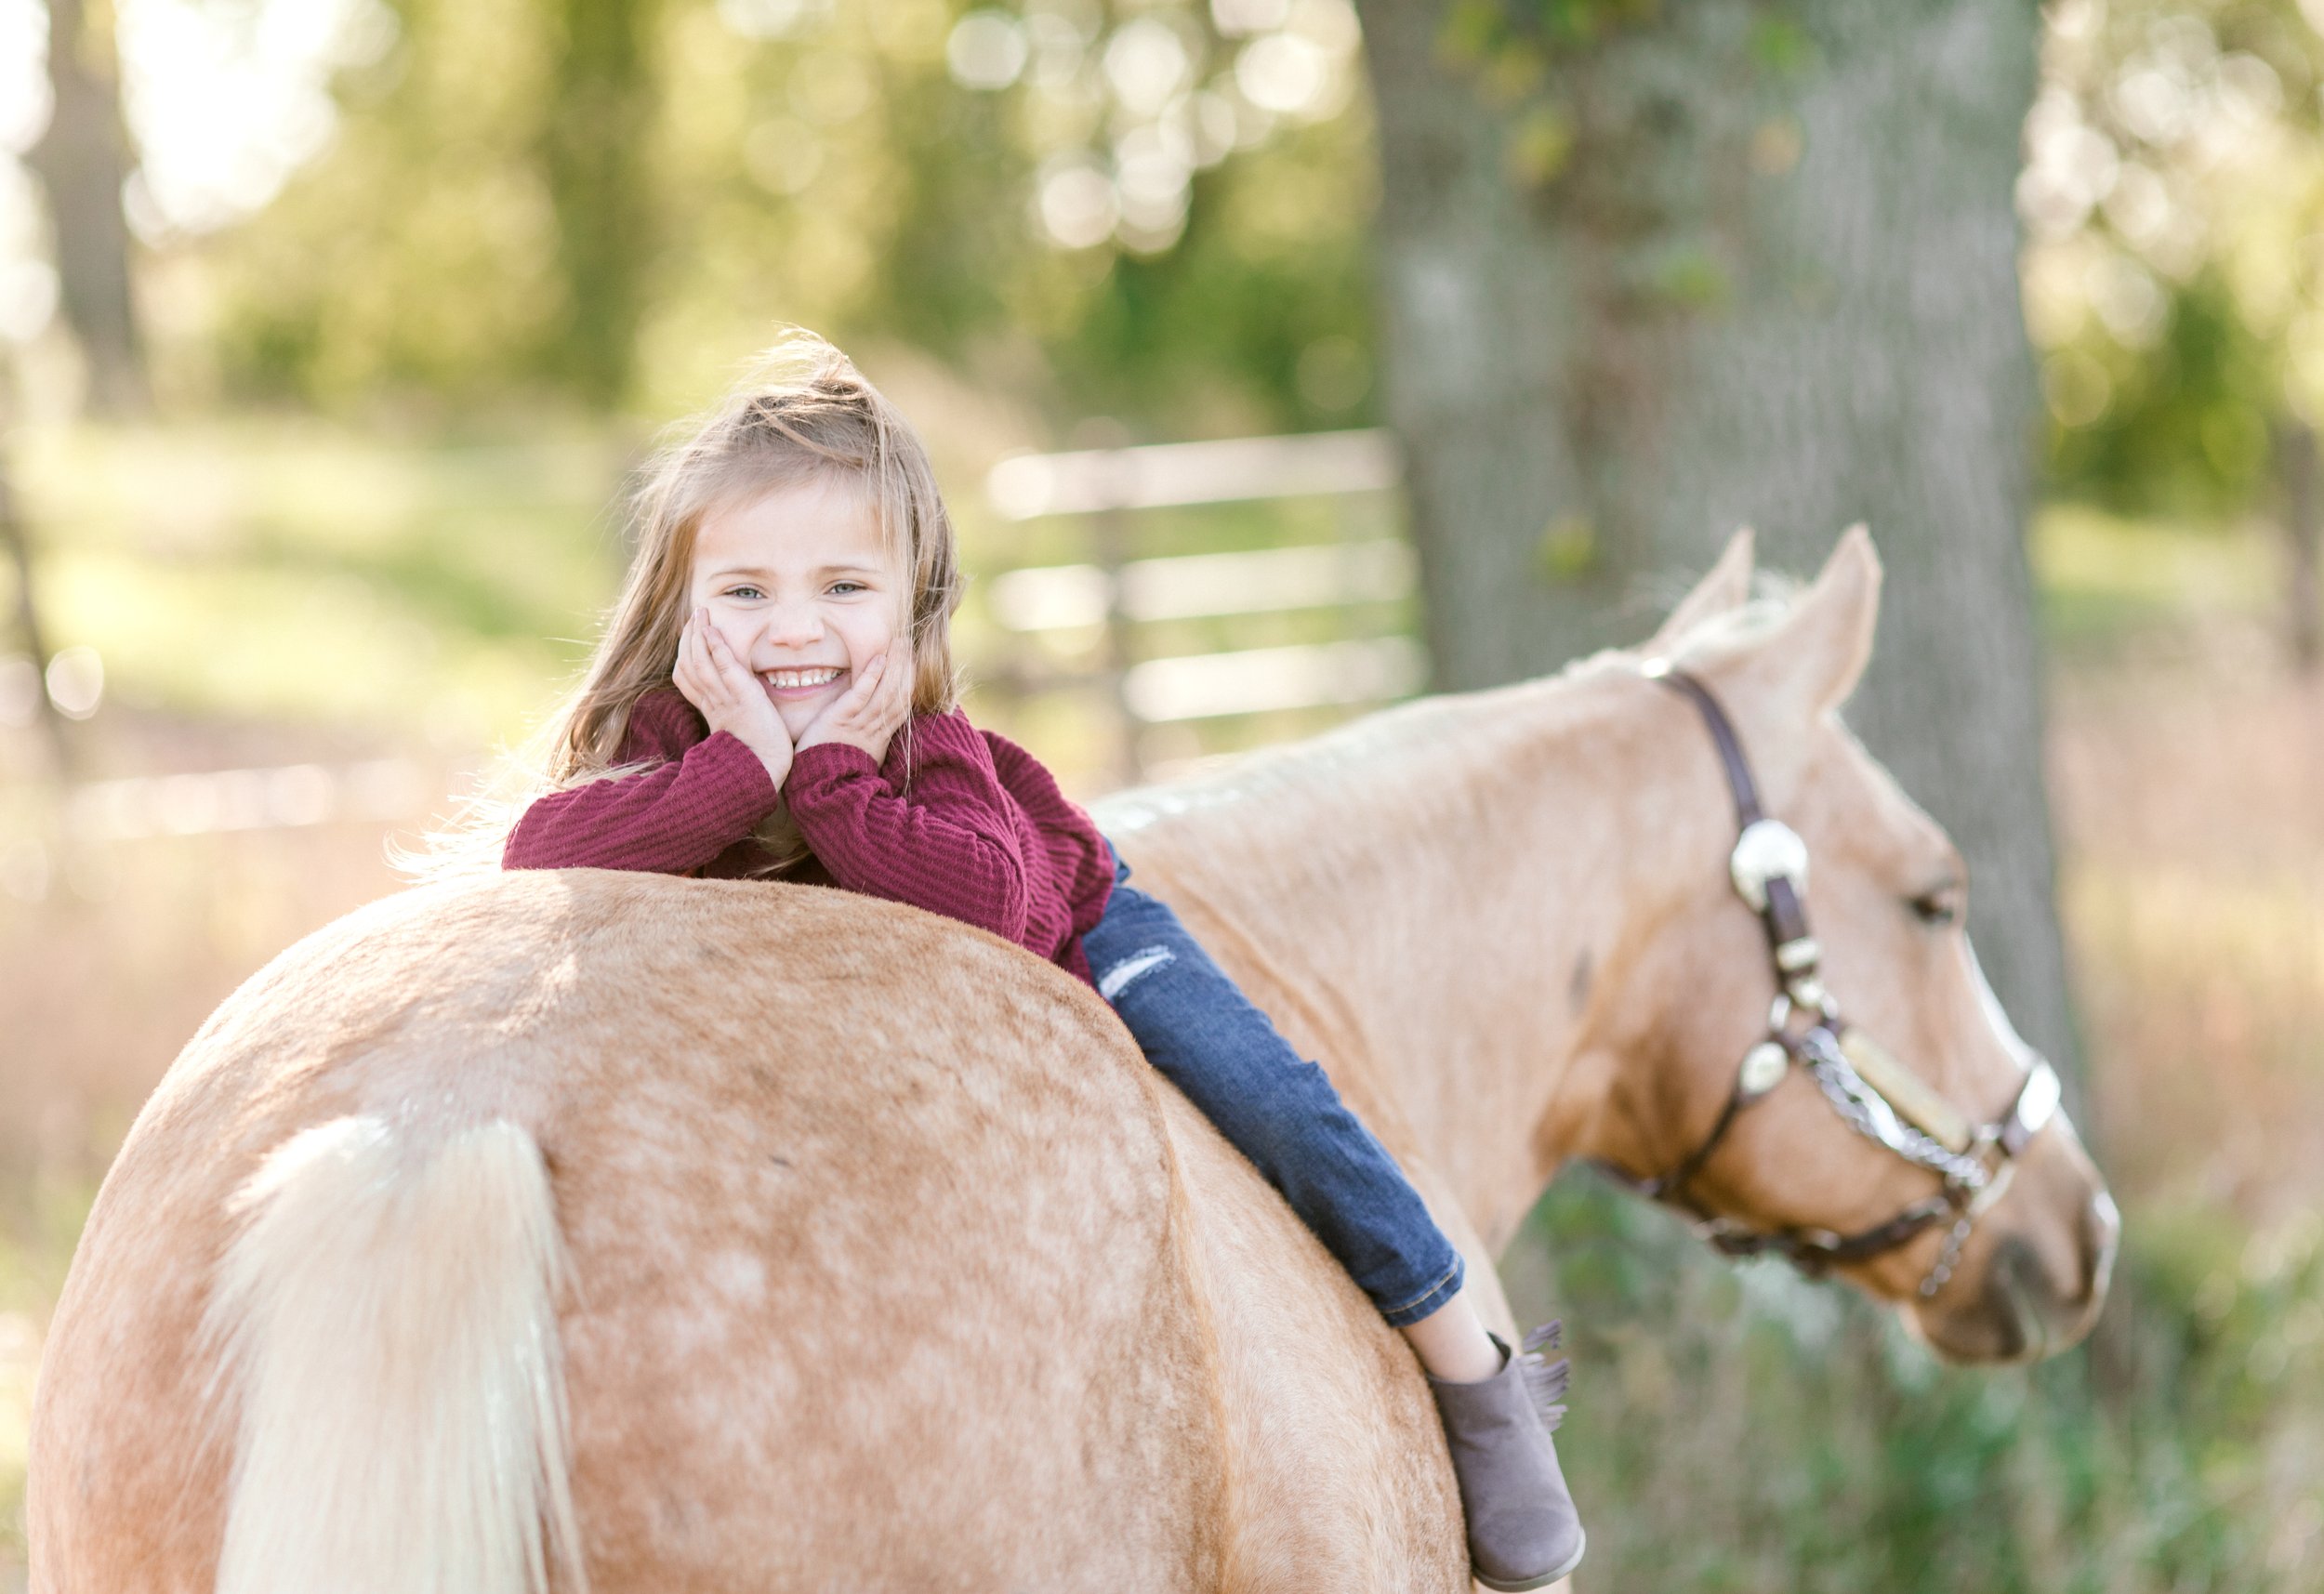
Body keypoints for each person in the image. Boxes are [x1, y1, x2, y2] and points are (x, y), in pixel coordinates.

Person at [495, 331, 1584, 1590]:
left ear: (915, 607)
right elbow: (543, 855)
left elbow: (996, 910)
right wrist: (733, 770)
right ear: (685, 609)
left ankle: (1473, 1373)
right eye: (745, 593)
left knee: (1271, 1099)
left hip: (1081, 922)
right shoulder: (671, 738)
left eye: (844, 589)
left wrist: (831, 777)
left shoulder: (933, 747)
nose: (792, 632)